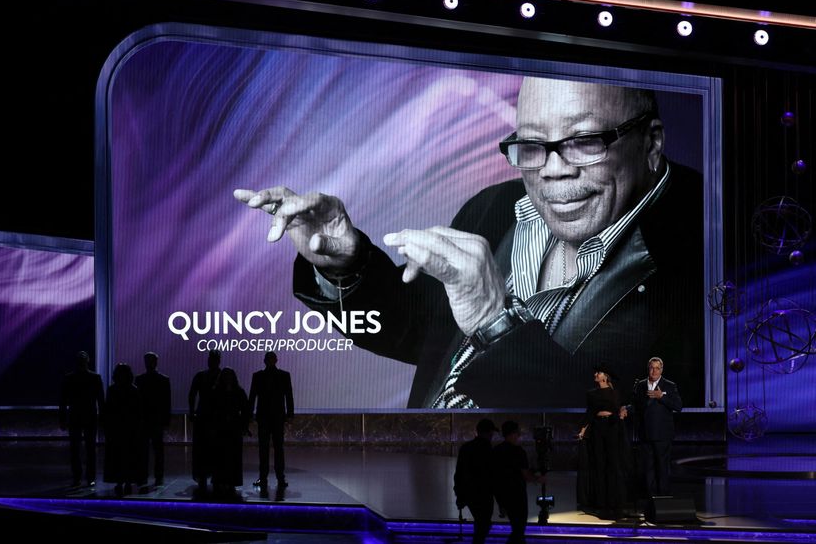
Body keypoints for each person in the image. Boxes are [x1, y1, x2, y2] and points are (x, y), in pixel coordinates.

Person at [234, 77, 704, 409]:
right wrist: (346, 263)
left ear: (652, 142)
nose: (553, 170)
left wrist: (496, 326)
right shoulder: (496, 206)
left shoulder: (710, 248)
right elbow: (426, 333)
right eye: (533, 145)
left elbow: (636, 435)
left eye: (584, 141)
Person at [577, 364, 630, 519]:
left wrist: (622, 411)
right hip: (598, 428)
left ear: (605, 377)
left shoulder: (615, 393)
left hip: (613, 427)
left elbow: (620, 408)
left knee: (613, 464)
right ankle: (602, 502)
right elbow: (590, 413)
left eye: (598, 372)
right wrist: (582, 429)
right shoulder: (591, 393)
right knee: (599, 464)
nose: (595, 374)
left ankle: (616, 502)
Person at [631, 356, 682, 498]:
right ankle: (650, 498)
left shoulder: (669, 385)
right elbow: (636, 405)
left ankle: (663, 497)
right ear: (648, 369)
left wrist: (661, 397)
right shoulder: (640, 385)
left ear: (661, 370)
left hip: (662, 435)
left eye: (657, 368)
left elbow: (678, 406)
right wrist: (626, 409)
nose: (654, 371)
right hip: (645, 433)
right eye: (651, 368)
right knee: (648, 467)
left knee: (662, 467)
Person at [247, 351, 294, 488]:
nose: (270, 361)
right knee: (271, 448)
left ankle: (274, 477)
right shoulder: (279, 376)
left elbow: (288, 395)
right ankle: (273, 477)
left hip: (271, 417)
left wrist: (290, 414)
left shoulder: (261, 376)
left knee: (271, 448)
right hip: (270, 417)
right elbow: (252, 396)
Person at [59, 350, 105, 487]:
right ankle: (89, 477)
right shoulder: (95, 377)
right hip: (89, 416)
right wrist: (102, 418)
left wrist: (62, 419)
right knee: (88, 448)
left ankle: (78, 477)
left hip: (76, 417)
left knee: (77, 449)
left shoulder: (69, 378)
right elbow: (101, 400)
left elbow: (63, 402)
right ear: (88, 361)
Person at [454, 418, 499, 544]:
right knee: (483, 524)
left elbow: (458, 474)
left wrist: (459, 495)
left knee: (481, 524)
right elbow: (492, 476)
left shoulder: (465, 448)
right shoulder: (488, 450)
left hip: (469, 494)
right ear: (489, 433)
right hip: (484, 495)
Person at [493, 421, 539, 543]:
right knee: (519, 529)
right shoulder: (519, 452)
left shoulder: (496, 450)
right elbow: (525, 475)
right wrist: (538, 479)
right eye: (518, 432)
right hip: (517, 495)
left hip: (503, 495)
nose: (519, 435)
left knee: (516, 528)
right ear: (513, 434)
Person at [103, 363, 145, 496]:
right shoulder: (134, 390)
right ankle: (127, 481)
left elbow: (108, 409)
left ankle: (119, 481)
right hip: (129, 429)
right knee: (129, 456)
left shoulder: (112, 390)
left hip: (117, 429)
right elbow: (139, 412)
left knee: (117, 456)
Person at [210, 367, 250, 499]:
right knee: (220, 455)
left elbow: (246, 410)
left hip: (233, 428)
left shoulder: (237, 391)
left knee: (232, 456)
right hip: (222, 427)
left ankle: (231, 481)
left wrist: (244, 425)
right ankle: (221, 481)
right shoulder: (219, 391)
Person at [189, 349, 223, 494]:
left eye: (214, 359)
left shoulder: (222, 376)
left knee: (215, 449)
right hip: (204, 416)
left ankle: (215, 476)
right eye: (211, 358)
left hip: (216, 417)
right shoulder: (201, 375)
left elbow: (192, 394)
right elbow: (192, 394)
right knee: (202, 449)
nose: (211, 361)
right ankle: (203, 476)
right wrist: (191, 411)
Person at [135, 351, 171, 488]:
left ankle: (146, 477)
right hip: (151, 420)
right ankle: (156, 476)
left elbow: (167, 402)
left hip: (148, 420)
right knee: (153, 450)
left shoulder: (140, 379)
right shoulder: (162, 379)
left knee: (148, 450)